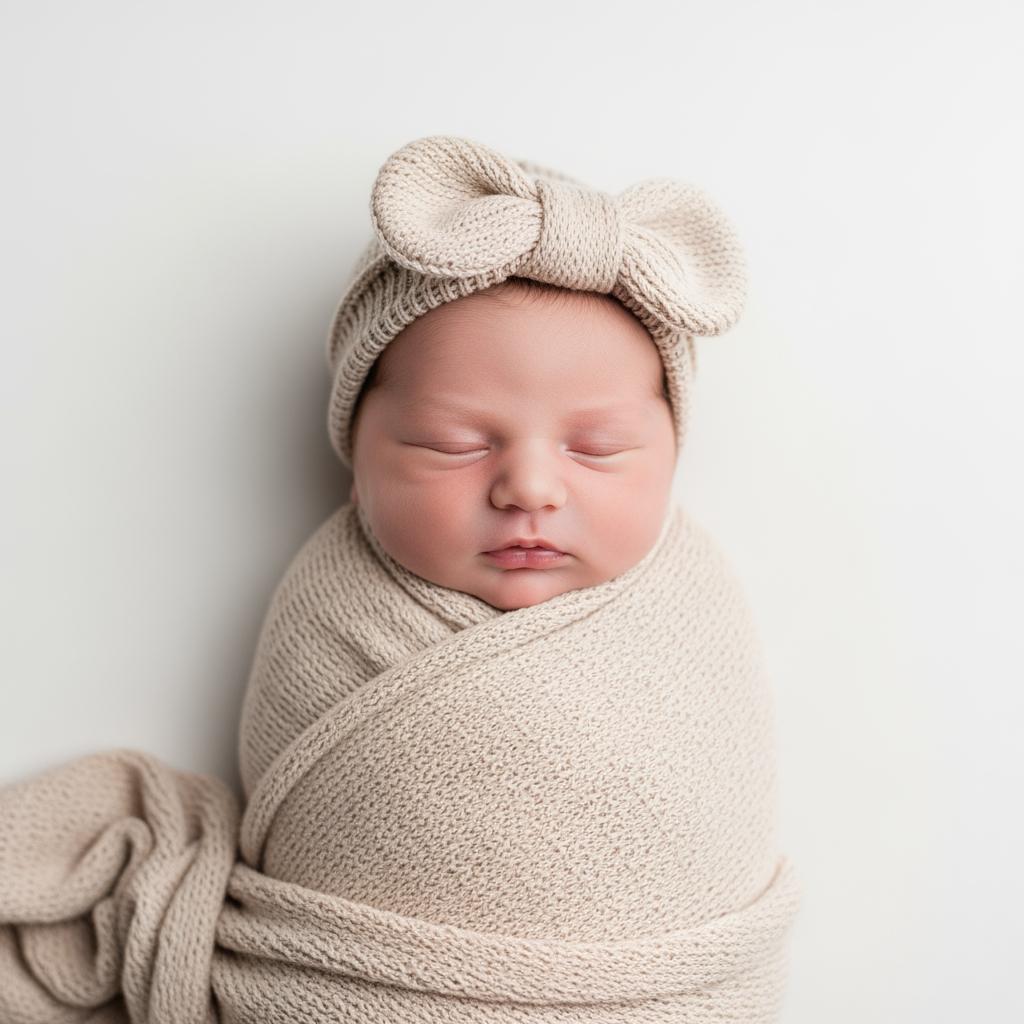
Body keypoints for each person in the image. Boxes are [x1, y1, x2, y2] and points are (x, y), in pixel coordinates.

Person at [0, 136, 798, 1023]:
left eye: (598, 448)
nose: (530, 487)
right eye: (453, 444)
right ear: (357, 459)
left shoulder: (694, 610)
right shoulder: (333, 606)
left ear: (671, 455)